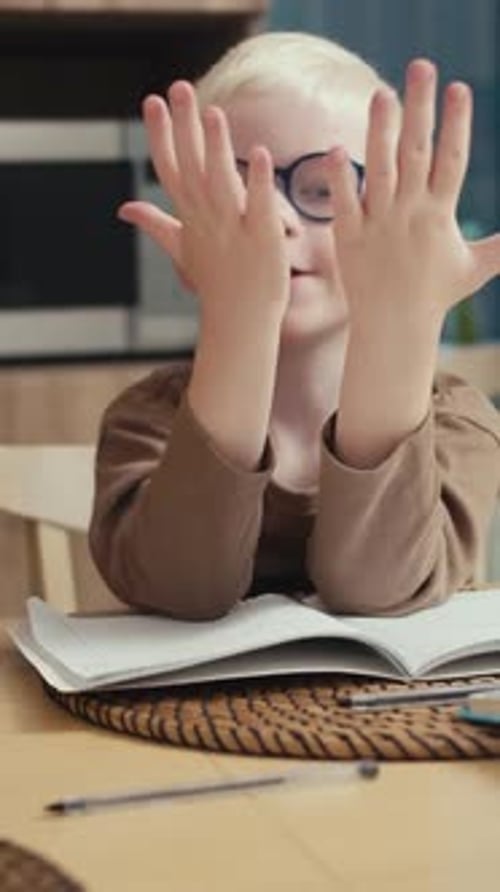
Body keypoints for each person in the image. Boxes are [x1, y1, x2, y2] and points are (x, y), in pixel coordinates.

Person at [89, 31, 500, 620]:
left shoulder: (459, 423)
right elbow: (185, 588)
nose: (275, 217)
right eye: (235, 193)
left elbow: (377, 589)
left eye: (322, 190)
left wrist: (399, 323)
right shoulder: (146, 421)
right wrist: (238, 317)